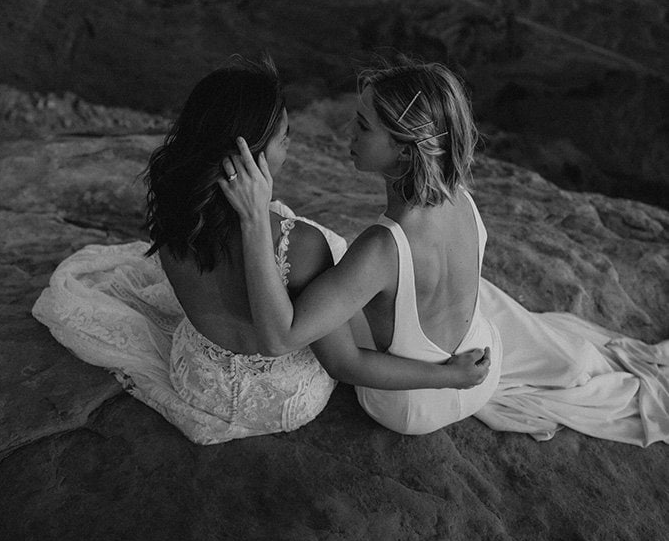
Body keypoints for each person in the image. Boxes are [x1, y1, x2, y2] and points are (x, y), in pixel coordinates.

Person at [32, 57, 490, 446]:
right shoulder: (306, 245)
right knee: (336, 255)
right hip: (287, 398)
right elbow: (321, 355)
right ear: (252, 156)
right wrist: (256, 223)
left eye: (362, 124)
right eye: (285, 136)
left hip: (196, 381)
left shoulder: (172, 216)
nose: (303, 139)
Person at [222, 57, 669, 446]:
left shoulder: (381, 248)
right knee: (463, 293)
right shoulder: (460, 197)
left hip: (417, 404)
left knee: (314, 273)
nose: (348, 131)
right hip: (483, 358)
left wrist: (253, 219)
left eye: (362, 125)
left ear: (403, 147)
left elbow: (287, 342)